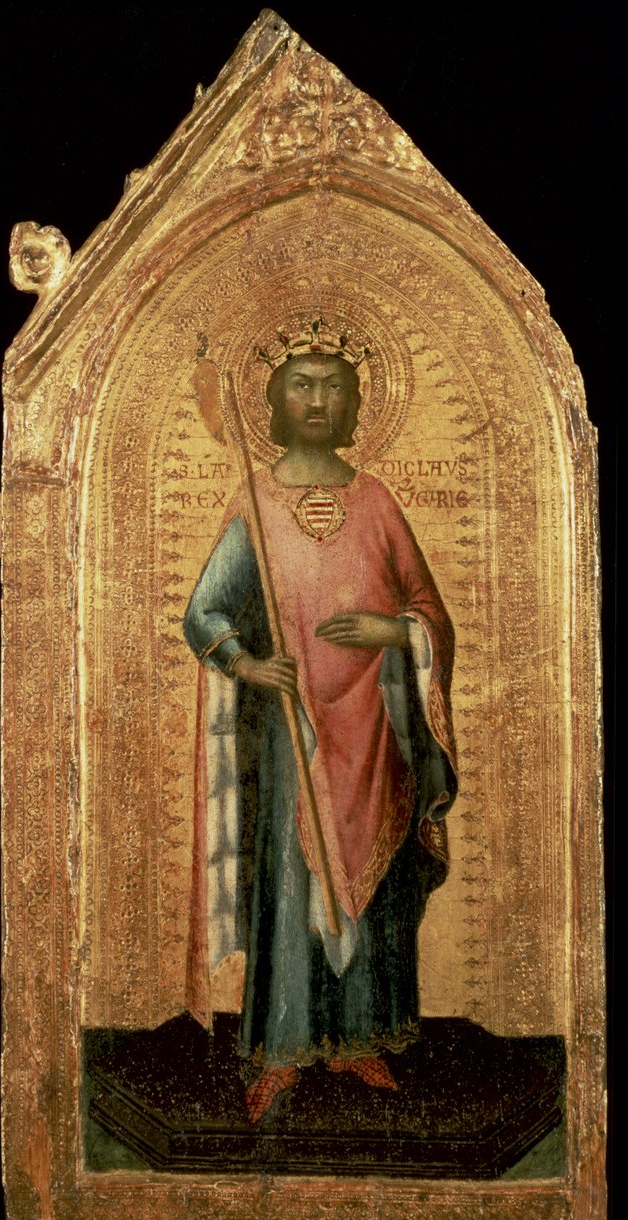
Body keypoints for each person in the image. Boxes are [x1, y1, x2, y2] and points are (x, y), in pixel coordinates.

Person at [183, 320, 457, 1122]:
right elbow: (205, 611)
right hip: (292, 728)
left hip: (376, 730)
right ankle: (281, 1050)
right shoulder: (257, 502)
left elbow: (429, 610)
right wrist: (245, 663)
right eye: (300, 385)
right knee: (291, 882)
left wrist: (393, 631)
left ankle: (360, 1041)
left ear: (355, 404)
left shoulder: (376, 501)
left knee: (375, 889)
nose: (317, 400)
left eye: (333, 387)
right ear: (273, 402)